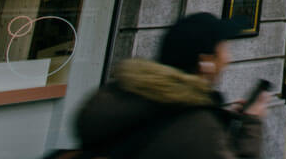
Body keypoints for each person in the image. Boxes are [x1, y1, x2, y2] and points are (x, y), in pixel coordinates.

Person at [75, 12, 267, 158]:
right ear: (205, 62)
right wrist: (251, 124)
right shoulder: (196, 125)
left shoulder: (117, 94)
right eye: (224, 49)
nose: (228, 59)